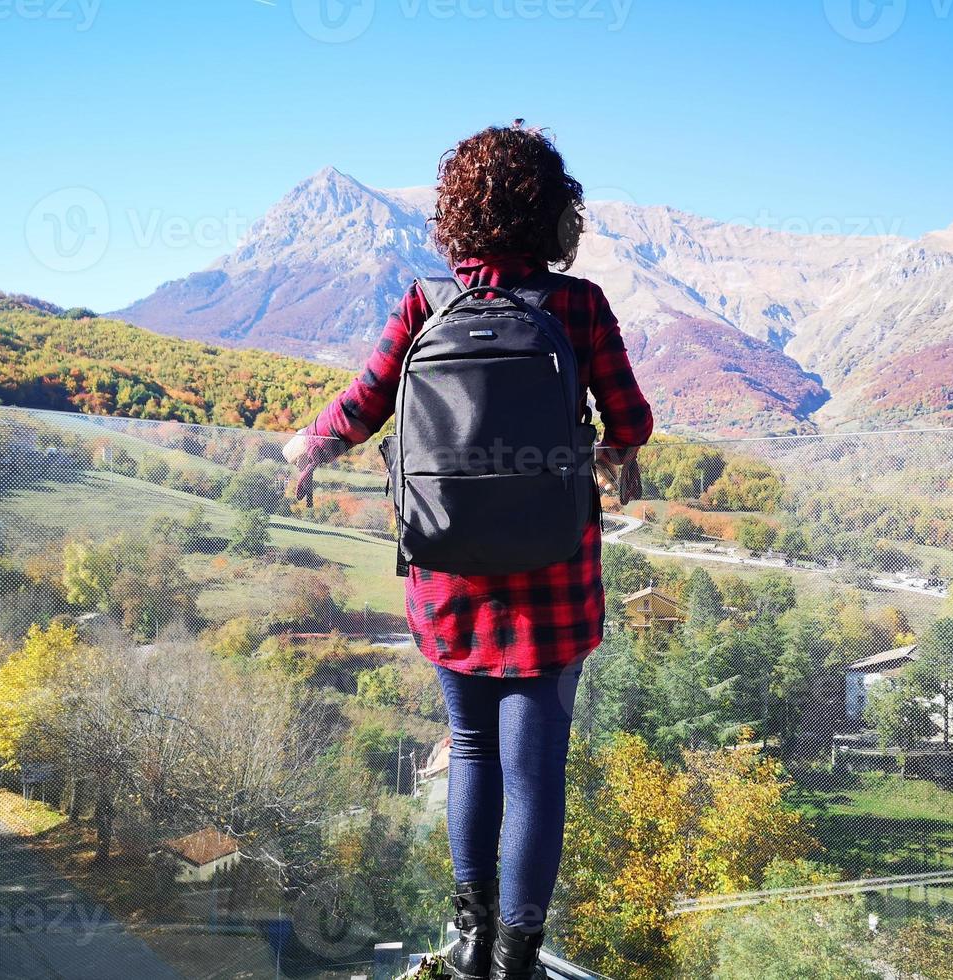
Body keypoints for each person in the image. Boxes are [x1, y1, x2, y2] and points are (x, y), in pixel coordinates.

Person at [283, 122, 652, 980]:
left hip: (447, 576)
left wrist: (309, 450)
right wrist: (611, 447)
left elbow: (362, 406)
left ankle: (469, 941)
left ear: (458, 219)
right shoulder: (578, 306)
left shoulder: (425, 304)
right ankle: (520, 955)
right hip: (554, 579)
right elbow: (631, 422)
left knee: (471, 749)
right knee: (535, 772)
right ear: (554, 216)